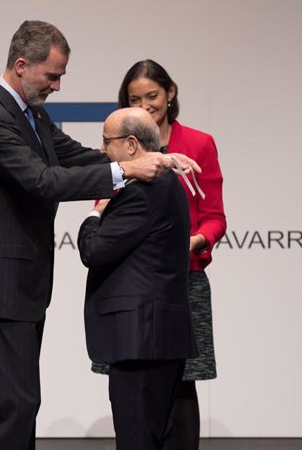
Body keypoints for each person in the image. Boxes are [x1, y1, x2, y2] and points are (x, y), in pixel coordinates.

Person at [0, 20, 199, 450]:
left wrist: (151, 157)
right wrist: (126, 169)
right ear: (20, 65)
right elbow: (45, 181)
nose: (57, 85)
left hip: (22, 286)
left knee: (16, 406)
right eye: (52, 75)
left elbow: (75, 155)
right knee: (14, 406)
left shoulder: (30, 113)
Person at [119, 59, 227, 449]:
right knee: (134, 381)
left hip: (183, 280)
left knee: (183, 382)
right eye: (136, 98)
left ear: (170, 93)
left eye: (153, 96)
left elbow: (215, 217)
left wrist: (195, 240)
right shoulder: (121, 146)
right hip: (131, 282)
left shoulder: (198, 144)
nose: (146, 105)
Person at [77, 107, 197, 449]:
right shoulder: (165, 182)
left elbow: (94, 251)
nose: (101, 149)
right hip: (158, 336)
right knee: (159, 436)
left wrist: (94, 213)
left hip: (139, 338)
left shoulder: (140, 191)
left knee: (137, 437)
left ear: (131, 145)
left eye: (106, 141)